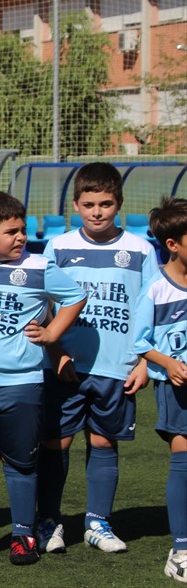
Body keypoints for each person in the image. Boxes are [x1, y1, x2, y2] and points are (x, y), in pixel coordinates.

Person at [0, 191, 86, 567]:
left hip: (22, 383)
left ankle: (23, 534)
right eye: (12, 232)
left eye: (23, 230)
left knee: (21, 462)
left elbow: (75, 297)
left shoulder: (39, 267)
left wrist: (53, 334)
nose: (21, 237)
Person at [36, 163, 160, 555]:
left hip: (117, 366)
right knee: (57, 442)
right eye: (88, 204)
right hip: (65, 365)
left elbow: (154, 308)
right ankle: (49, 521)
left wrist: (144, 363)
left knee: (104, 441)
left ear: (119, 204)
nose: (97, 212)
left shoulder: (140, 250)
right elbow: (43, 308)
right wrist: (55, 351)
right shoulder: (58, 247)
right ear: (75, 205)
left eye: (106, 204)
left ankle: (97, 522)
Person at [131, 196, 187, 584]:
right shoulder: (155, 289)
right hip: (176, 388)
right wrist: (167, 363)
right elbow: (140, 341)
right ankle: (181, 549)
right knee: (184, 461)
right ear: (173, 244)